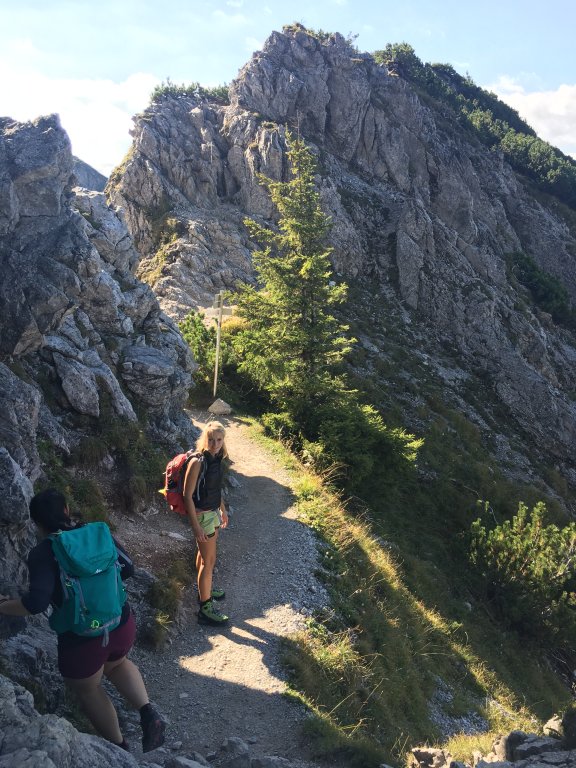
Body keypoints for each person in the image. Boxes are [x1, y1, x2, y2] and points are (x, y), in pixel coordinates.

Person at [0, 488, 165, 754]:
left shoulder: (44, 552)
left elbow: (36, 603)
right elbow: (128, 568)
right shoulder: (97, 532)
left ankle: (119, 750)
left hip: (82, 639)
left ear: (37, 523)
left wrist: (4, 606)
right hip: (120, 622)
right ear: (66, 510)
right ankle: (148, 713)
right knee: (117, 664)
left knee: (88, 689)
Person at [183, 420, 230, 626]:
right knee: (209, 561)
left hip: (213, 512)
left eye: (219, 440)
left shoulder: (217, 458)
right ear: (205, 439)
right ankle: (205, 608)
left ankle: (205, 589)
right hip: (203, 517)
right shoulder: (198, 462)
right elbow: (187, 496)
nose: (215, 444)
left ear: (223, 440)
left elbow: (215, 489)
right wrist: (196, 526)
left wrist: (223, 509)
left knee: (204, 558)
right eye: (211, 440)